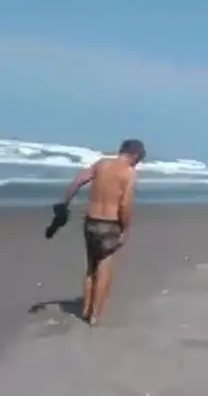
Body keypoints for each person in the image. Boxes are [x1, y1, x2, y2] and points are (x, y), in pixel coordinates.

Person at [57, 138, 146, 326]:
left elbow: (77, 182)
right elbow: (125, 205)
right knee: (104, 267)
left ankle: (85, 309)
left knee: (91, 267)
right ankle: (95, 316)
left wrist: (65, 204)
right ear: (135, 155)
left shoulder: (101, 164)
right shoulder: (129, 174)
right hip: (110, 224)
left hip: (91, 221)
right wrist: (127, 228)